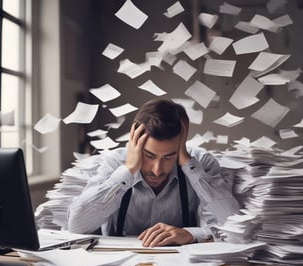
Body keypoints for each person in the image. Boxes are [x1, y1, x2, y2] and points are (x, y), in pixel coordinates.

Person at [68, 99, 240, 247]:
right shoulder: (115, 163)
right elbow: (76, 225)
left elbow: (233, 227)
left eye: (169, 156)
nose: (157, 170)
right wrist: (128, 170)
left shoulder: (201, 164)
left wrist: (191, 234)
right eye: (149, 155)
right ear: (135, 141)